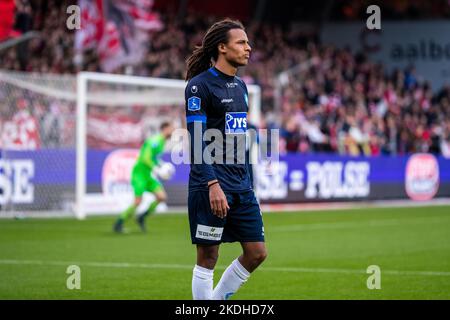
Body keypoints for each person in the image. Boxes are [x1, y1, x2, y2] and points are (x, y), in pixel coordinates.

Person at [185, 19, 267, 300]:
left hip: (240, 186)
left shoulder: (241, 86)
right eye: (241, 42)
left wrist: (248, 182)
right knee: (208, 255)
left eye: (247, 42)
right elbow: (196, 141)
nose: (248, 47)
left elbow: (238, 140)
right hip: (211, 185)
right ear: (222, 47)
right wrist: (212, 184)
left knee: (257, 253)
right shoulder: (199, 87)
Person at [113, 122, 174, 233]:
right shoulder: (154, 141)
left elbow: (153, 158)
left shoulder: (161, 142)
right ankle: (119, 222)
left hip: (147, 176)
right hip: (139, 175)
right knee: (137, 201)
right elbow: (145, 158)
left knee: (161, 196)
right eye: (171, 128)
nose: (173, 131)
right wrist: (157, 169)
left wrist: (162, 164)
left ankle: (141, 216)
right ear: (164, 129)